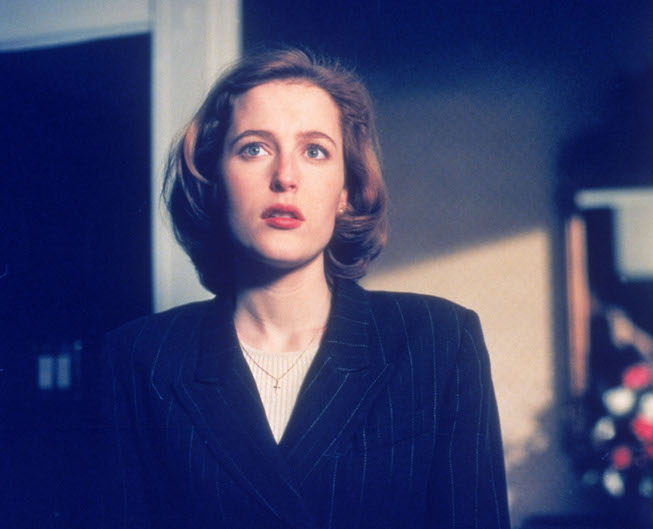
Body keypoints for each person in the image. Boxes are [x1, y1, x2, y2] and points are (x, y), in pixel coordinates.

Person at [100, 47, 510, 529]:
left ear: (345, 192)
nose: (285, 177)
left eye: (315, 151)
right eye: (254, 148)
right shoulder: (140, 358)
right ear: (214, 183)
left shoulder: (439, 340)